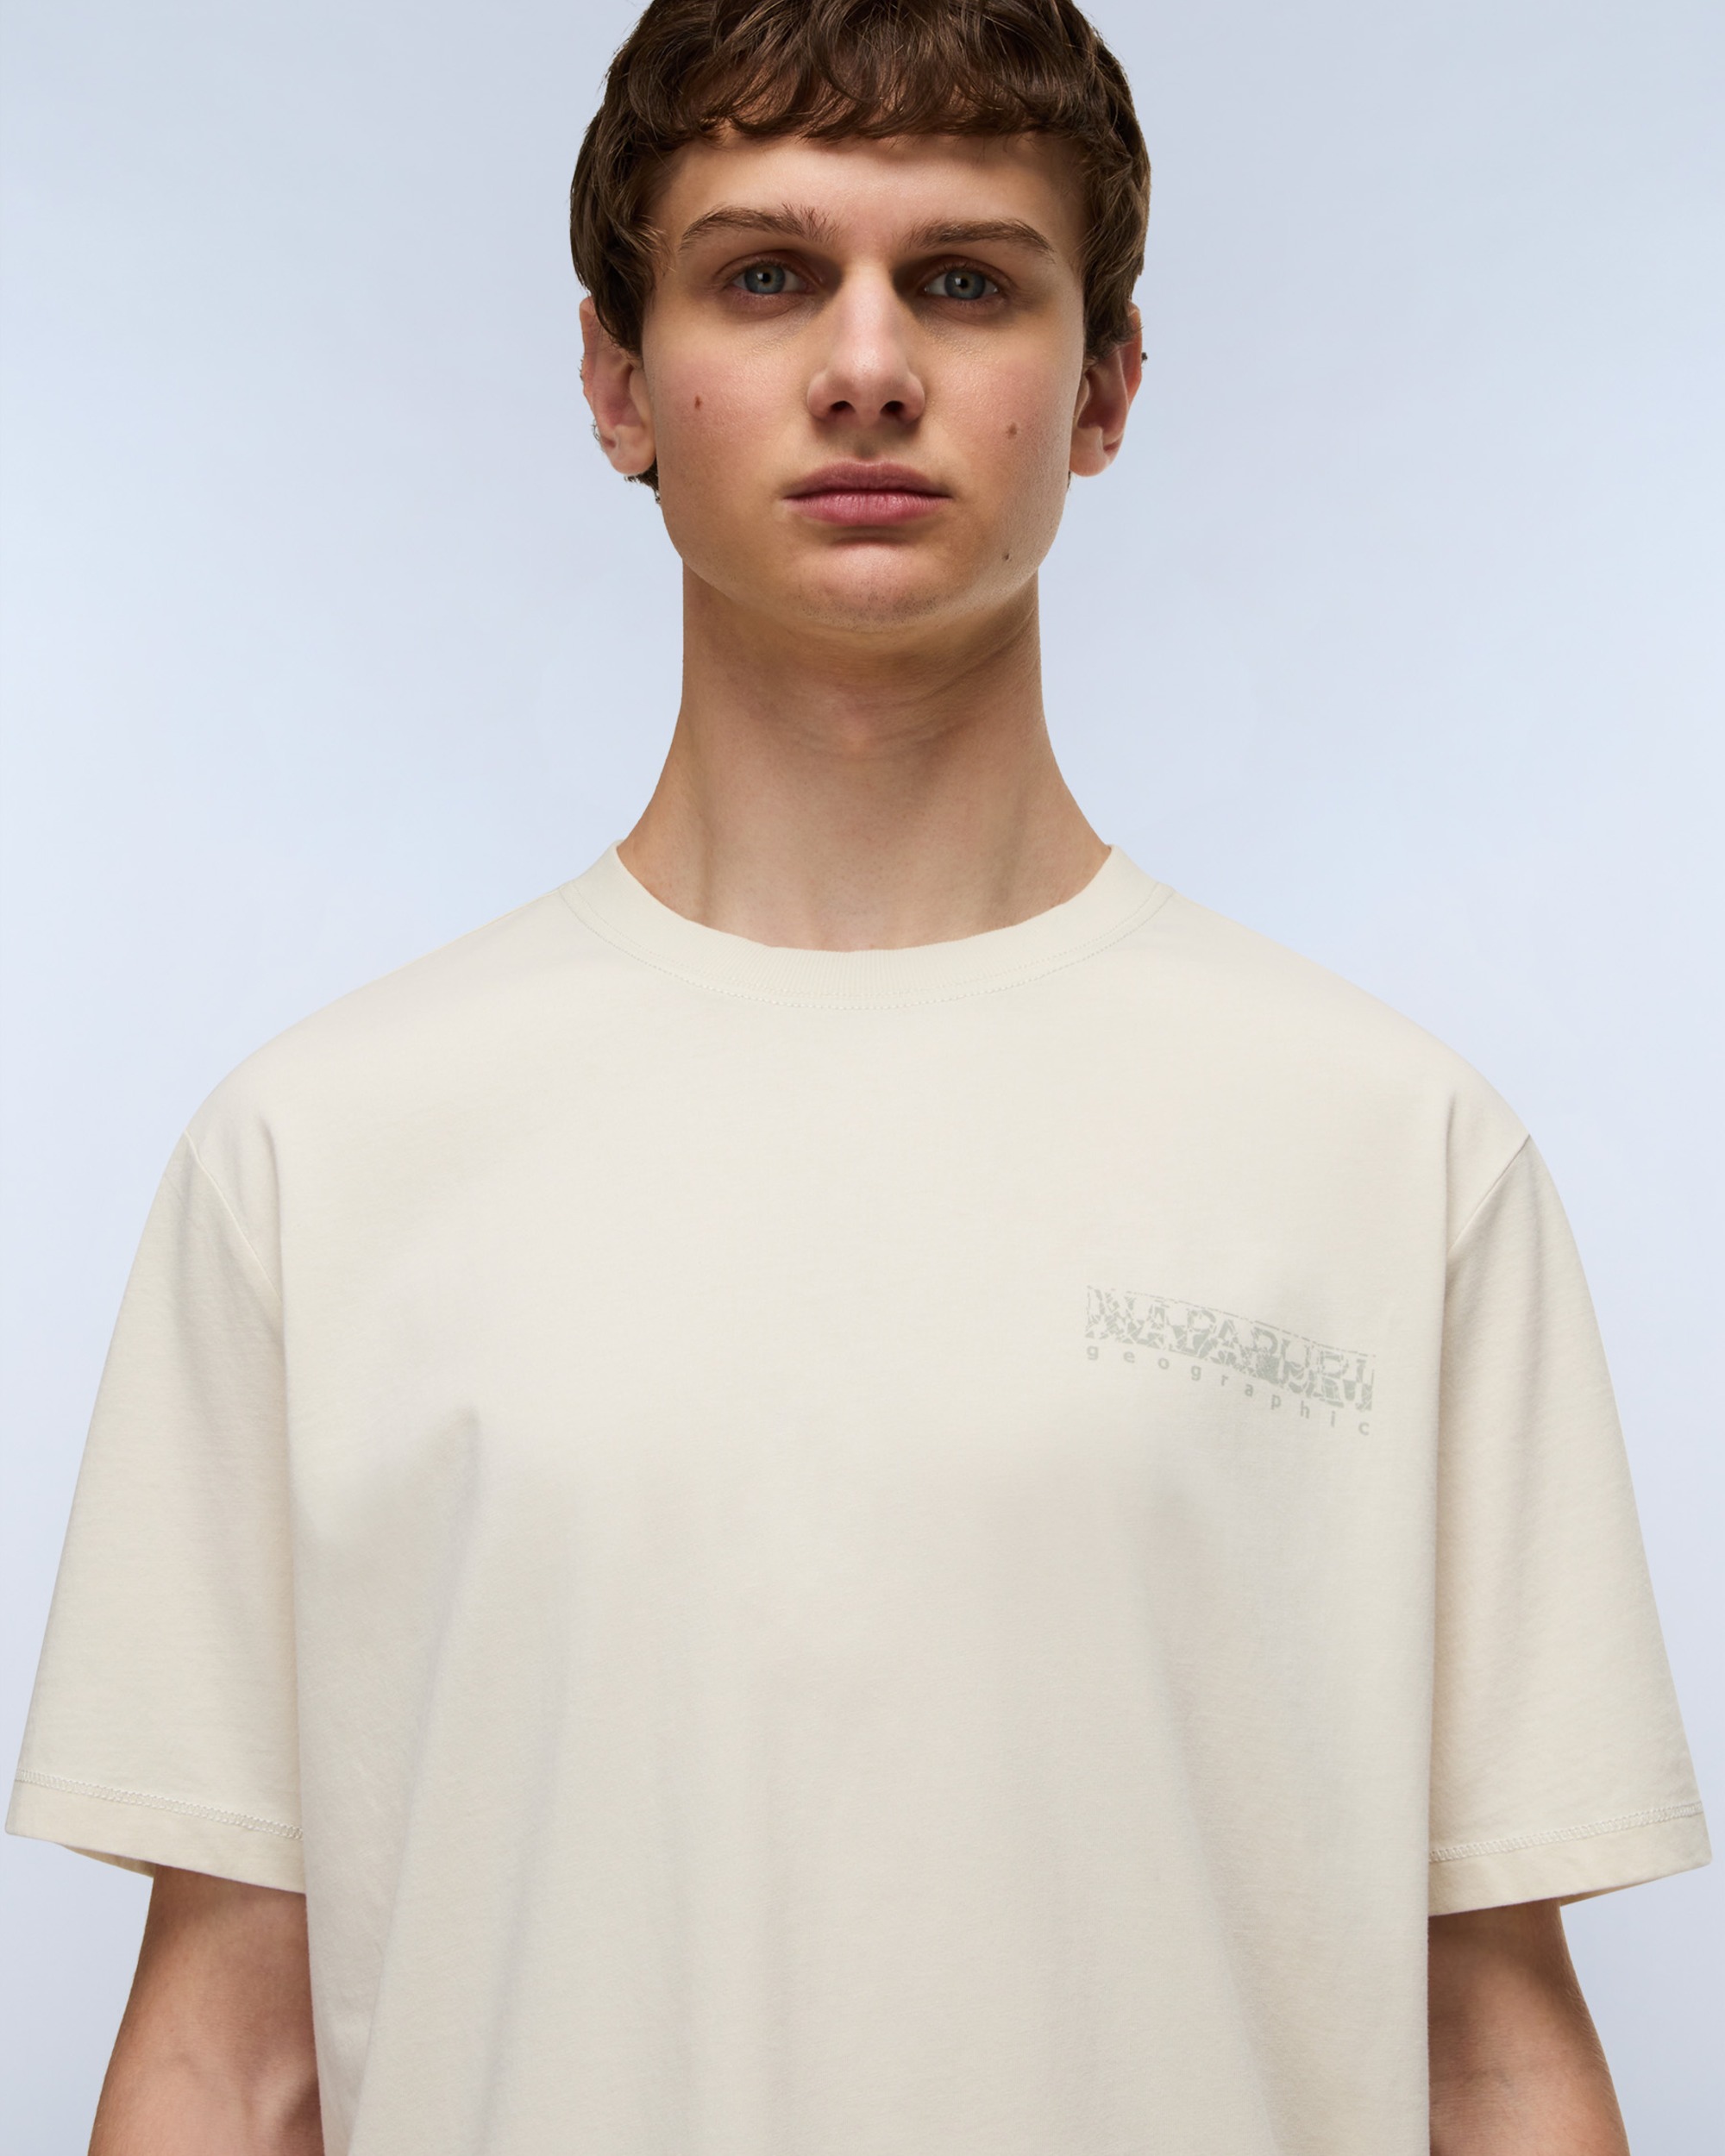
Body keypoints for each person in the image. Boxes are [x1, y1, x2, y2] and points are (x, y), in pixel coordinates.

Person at [9, 2, 1708, 2151]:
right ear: (619, 383)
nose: (870, 364)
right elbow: (233, 2053)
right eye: (765, 273)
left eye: (968, 280)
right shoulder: (315, 1158)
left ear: (1104, 386)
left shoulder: (1393, 1152)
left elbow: (1486, 2042)